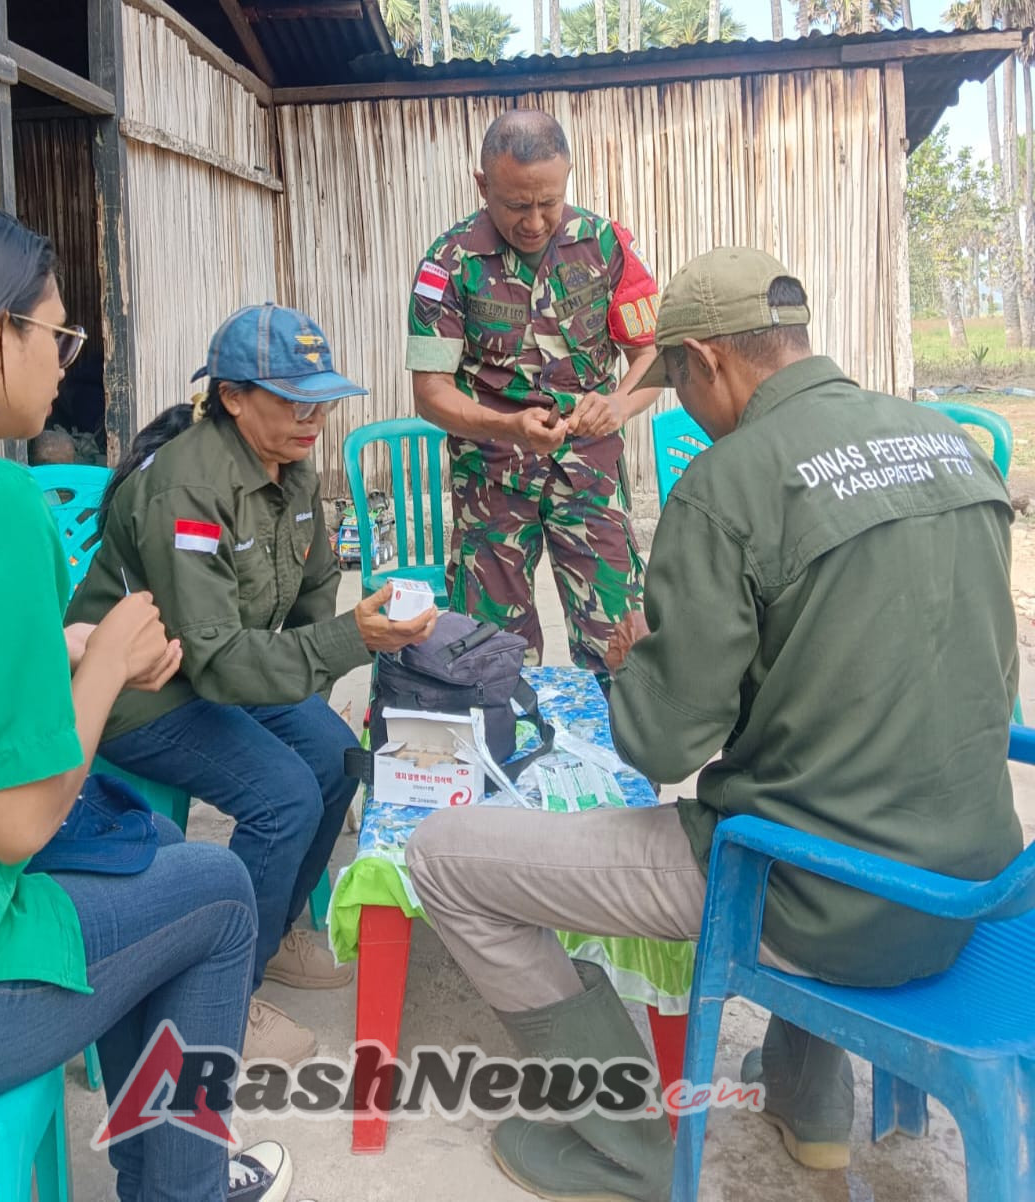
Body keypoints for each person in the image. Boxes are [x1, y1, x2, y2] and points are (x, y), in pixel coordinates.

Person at [404, 247, 1023, 1201]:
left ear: (707, 360)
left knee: (447, 853)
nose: (677, 402)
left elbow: (661, 743)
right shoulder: (953, 446)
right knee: (831, 766)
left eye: (672, 380)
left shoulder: (728, 488)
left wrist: (631, 655)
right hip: (980, 878)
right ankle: (810, 1104)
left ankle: (639, 1144)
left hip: (819, 897)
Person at [0, 197, 295, 1201]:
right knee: (216, 895)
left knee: (160, 865)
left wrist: (48, 649)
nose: (64, 360)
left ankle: (175, 1167)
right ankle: (181, 1186)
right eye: (58, 333)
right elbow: (13, 821)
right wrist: (99, 667)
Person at [66, 303, 438, 1066]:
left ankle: (273, 932)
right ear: (233, 398)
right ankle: (226, 991)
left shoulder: (294, 470)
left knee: (336, 761)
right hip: (143, 689)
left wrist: (343, 633)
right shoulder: (188, 489)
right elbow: (214, 660)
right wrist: (348, 641)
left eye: (322, 401)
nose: (314, 420)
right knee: (283, 796)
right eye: (294, 401)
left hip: (224, 669)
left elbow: (310, 595)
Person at [407, 108, 663, 685]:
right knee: (491, 658)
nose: (535, 220)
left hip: (590, 479)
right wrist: (508, 428)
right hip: (491, 484)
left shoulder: (603, 246)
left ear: (567, 177)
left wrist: (619, 404)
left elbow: (652, 355)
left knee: (622, 649)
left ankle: (627, 769)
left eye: (549, 201)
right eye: (517, 204)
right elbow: (430, 393)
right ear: (483, 185)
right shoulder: (448, 265)